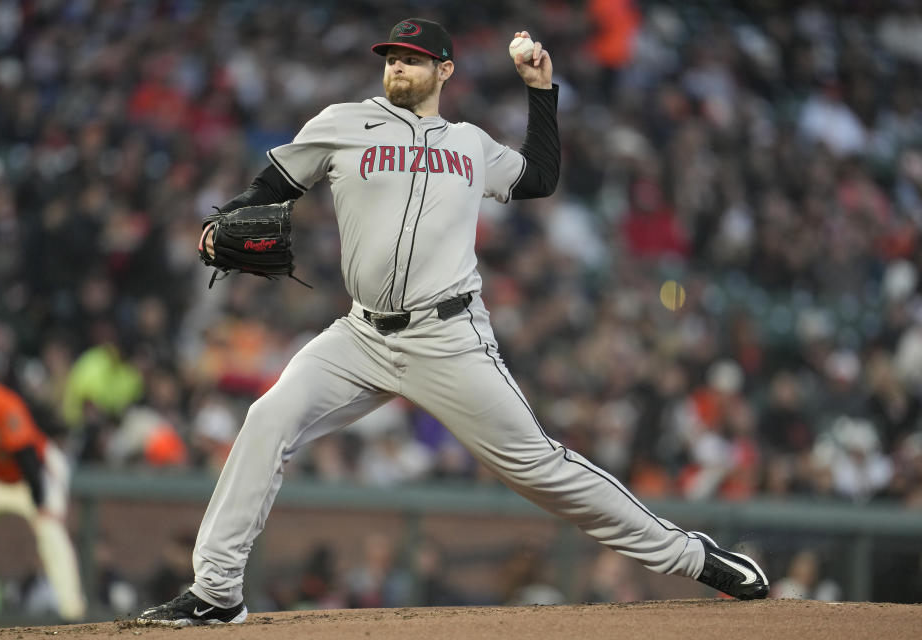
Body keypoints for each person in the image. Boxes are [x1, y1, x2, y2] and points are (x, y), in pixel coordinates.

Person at [137, 18, 768, 626]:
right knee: (266, 419)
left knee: (541, 467)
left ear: (444, 70)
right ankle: (215, 592)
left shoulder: (471, 143)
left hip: (450, 336)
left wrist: (541, 91)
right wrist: (225, 221)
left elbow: (540, 177)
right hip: (359, 334)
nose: (397, 67)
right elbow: (271, 186)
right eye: (391, 58)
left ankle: (694, 556)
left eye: (411, 59)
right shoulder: (343, 123)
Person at [0, 348, 86, 621]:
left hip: (37, 472)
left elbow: (27, 457)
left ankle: (73, 613)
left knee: (50, 531)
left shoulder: (1, 402)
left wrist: (40, 502)